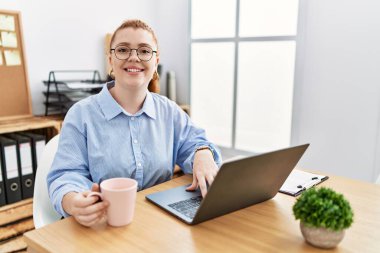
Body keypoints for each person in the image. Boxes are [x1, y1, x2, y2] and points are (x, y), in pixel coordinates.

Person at [47, 19, 222, 227]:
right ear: (110, 60)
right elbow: (66, 175)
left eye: (144, 51)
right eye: (123, 50)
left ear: (156, 62)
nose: (133, 57)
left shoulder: (169, 110)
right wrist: (73, 201)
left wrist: (202, 152)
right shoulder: (81, 115)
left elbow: (195, 143)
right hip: (102, 226)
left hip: (155, 223)